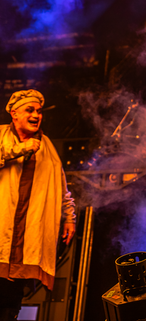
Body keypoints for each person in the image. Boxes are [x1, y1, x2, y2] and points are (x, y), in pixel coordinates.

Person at [0, 90, 76, 320]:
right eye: (29, 110)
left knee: (9, 303)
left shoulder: (47, 147)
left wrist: (69, 217)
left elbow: (61, 186)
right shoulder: (1, 136)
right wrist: (19, 150)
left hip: (26, 241)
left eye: (39, 111)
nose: (36, 115)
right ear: (14, 114)